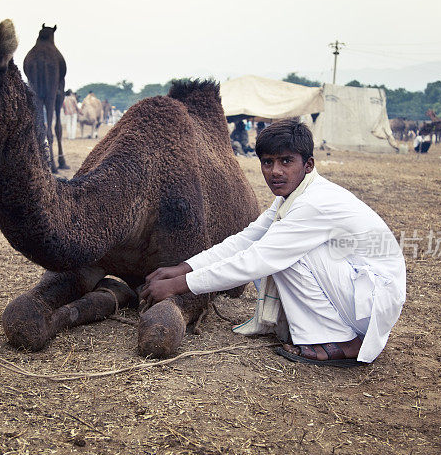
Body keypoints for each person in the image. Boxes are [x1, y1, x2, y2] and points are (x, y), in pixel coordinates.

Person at [141, 118, 406, 366]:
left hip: (371, 301)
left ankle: (346, 342)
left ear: (308, 165)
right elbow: (246, 239)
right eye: (267, 162)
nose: (275, 172)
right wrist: (184, 268)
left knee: (285, 256)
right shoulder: (292, 196)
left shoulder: (313, 203)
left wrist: (178, 286)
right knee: (276, 247)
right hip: (358, 290)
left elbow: (256, 260)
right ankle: (328, 331)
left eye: (286, 161)